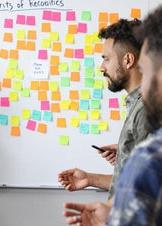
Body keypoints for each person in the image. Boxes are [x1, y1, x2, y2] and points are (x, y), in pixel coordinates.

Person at [54, 7, 162, 226]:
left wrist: (121, 212)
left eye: (149, 67)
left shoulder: (148, 132)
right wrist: (106, 192)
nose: (101, 67)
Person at [58, 19, 149, 199]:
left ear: (128, 60)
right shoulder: (139, 104)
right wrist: (92, 178)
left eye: (106, 58)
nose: (102, 67)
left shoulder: (147, 109)